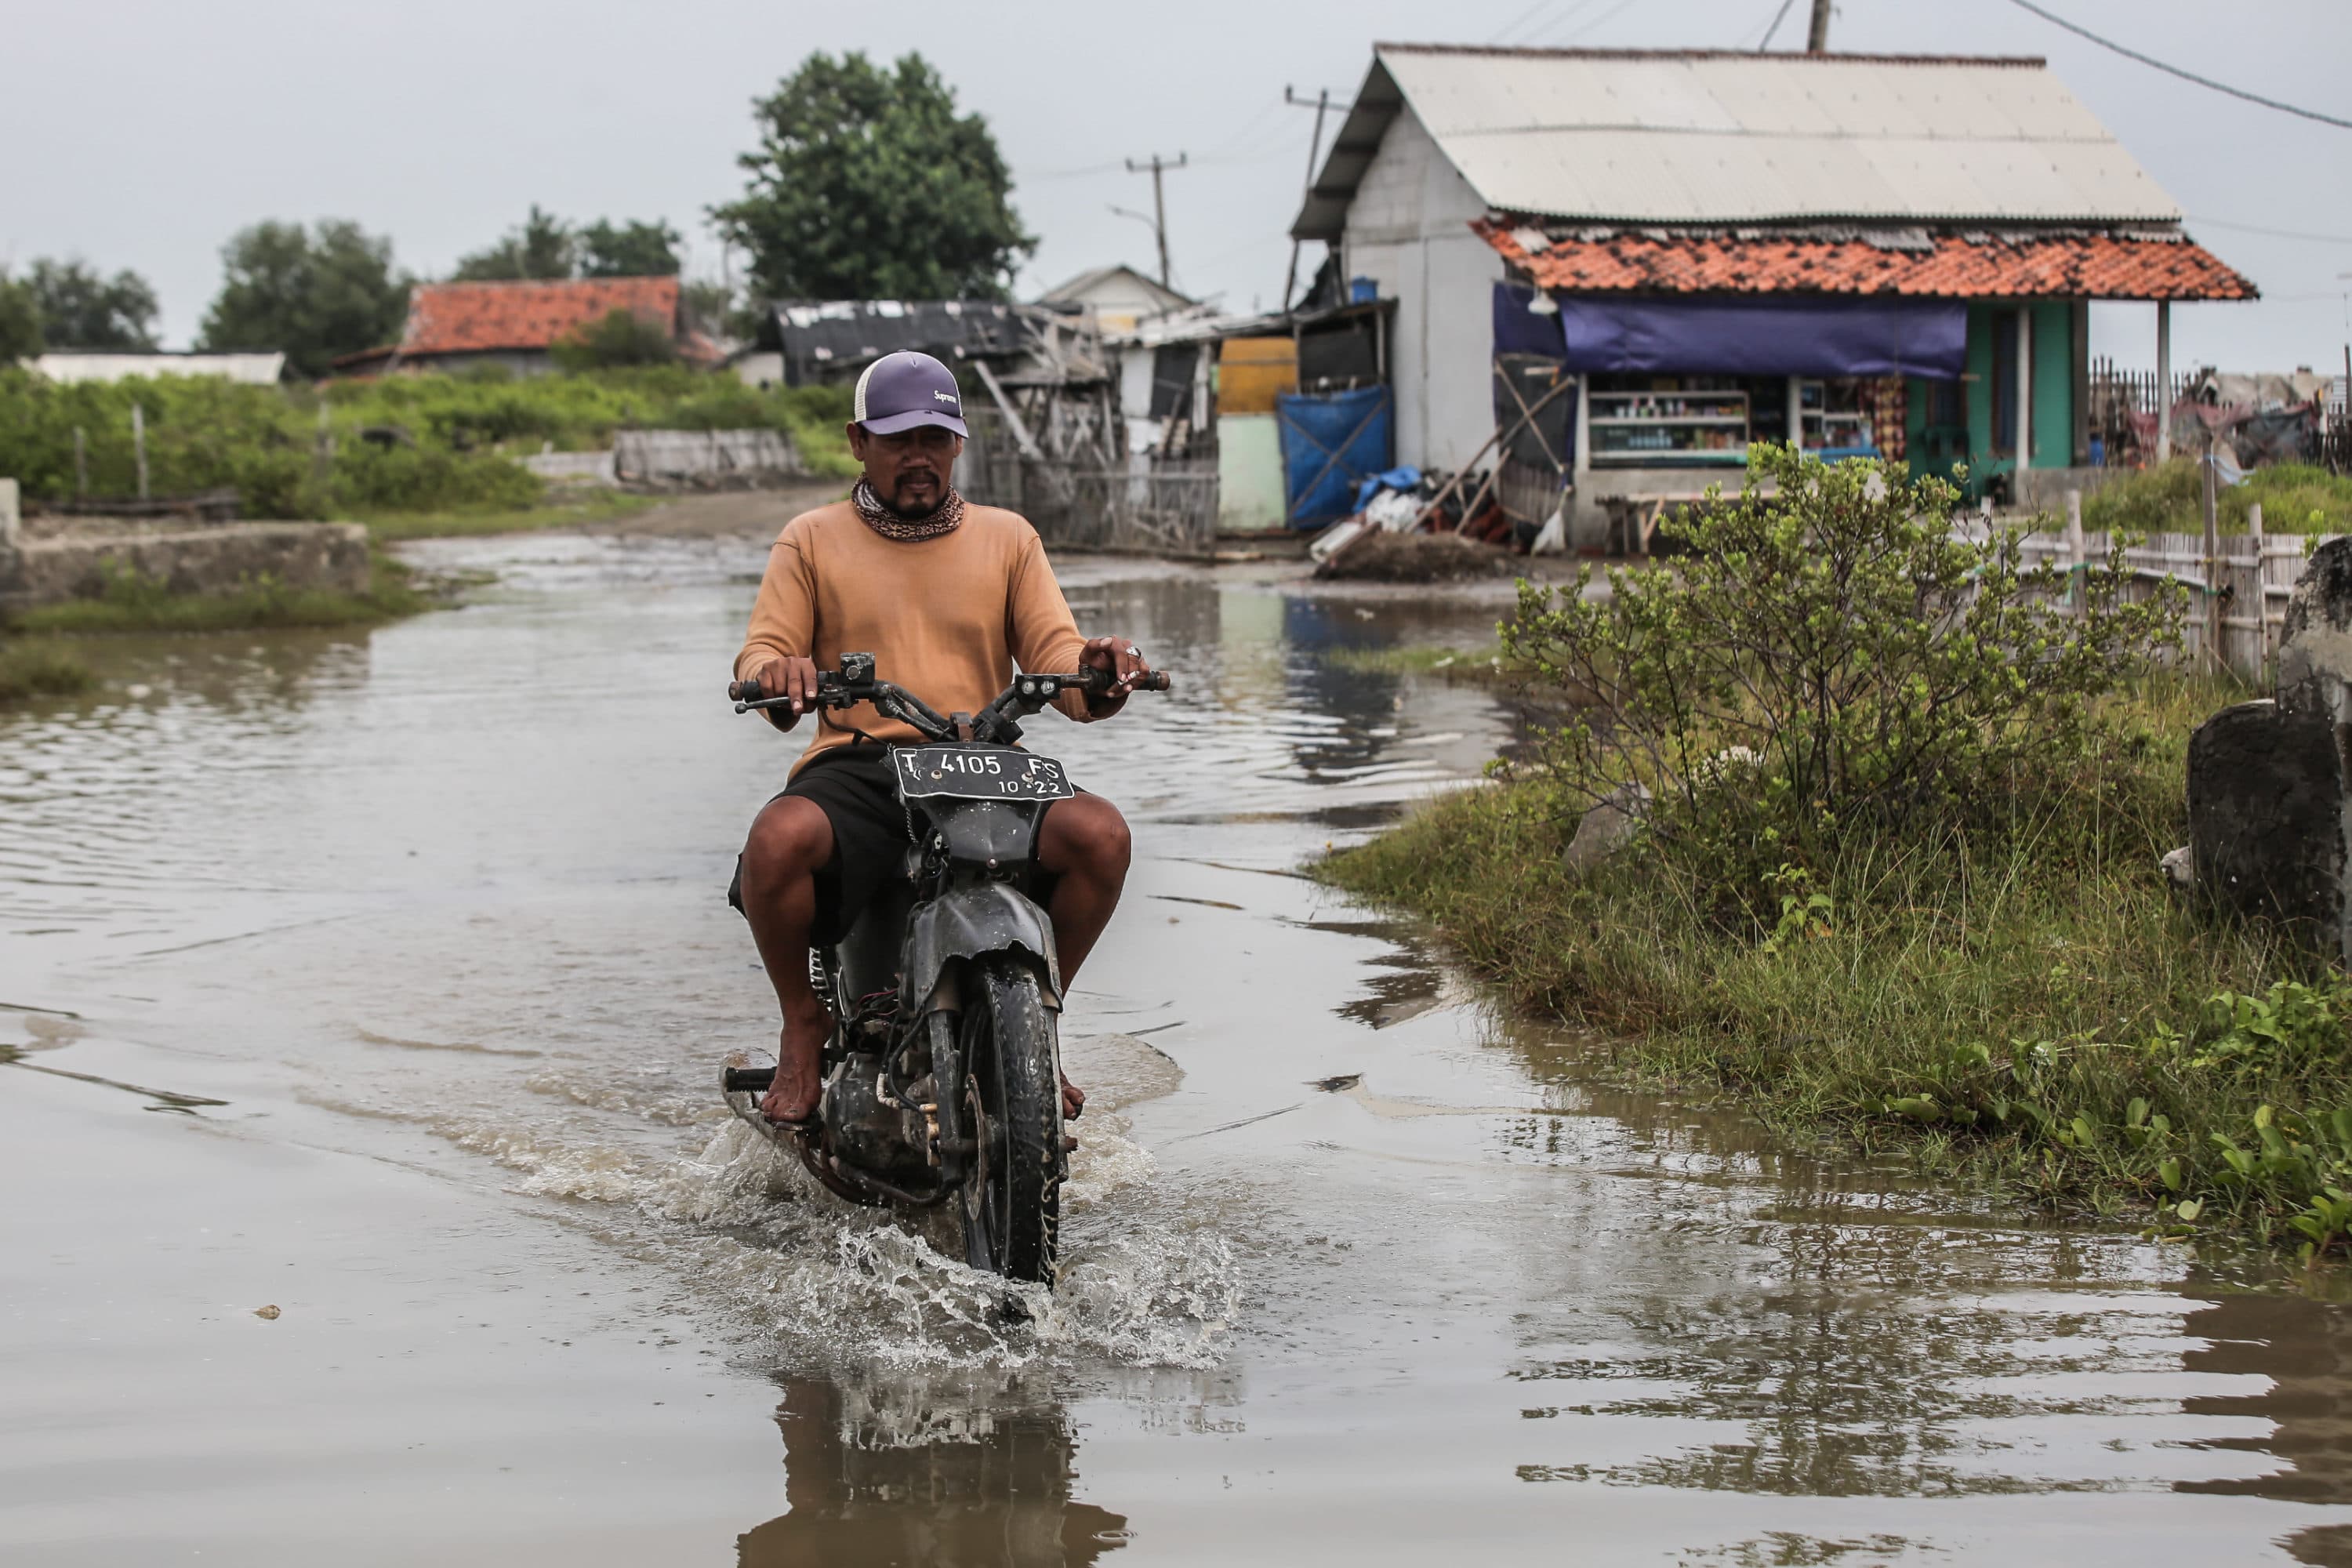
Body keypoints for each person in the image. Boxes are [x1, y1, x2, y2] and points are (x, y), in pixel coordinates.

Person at [730, 350, 1153, 1127]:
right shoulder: (811, 539)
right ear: (858, 441)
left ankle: (1036, 1023)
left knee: (1102, 835)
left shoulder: (1009, 538)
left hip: (983, 757)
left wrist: (1095, 667)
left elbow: (1055, 655)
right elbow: (762, 653)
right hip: (863, 761)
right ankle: (802, 1020)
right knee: (776, 840)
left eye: (935, 436)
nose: (919, 455)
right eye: (898, 439)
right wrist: (782, 674)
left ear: (959, 442)